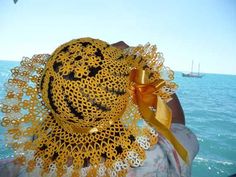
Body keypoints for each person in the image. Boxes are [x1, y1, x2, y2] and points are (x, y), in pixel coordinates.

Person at [0, 37, 199, 177]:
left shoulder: (21, 169)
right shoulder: (159, 159)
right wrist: (142, 65)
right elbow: (177, 123)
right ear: (123, 99)